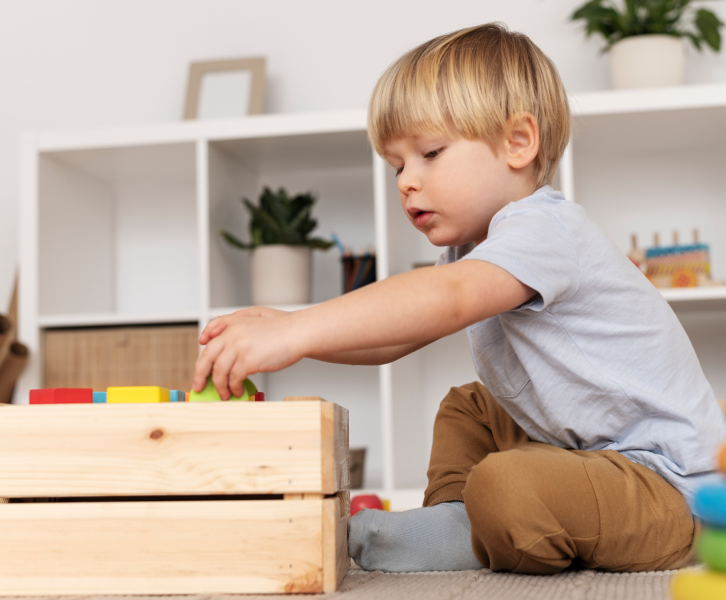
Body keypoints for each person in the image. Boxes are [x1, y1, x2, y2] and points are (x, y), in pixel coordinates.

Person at [192, 23, 726, 574]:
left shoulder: (545, 229)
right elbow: (391, 339)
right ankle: (451, 522)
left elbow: (444, 298)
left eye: (429, 153)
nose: (405, 181)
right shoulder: (473, 248)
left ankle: (475, 527)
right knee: (468, 406)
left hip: (668, 491)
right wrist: (295, 333)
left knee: (506, 482)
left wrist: (293, 331)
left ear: (518, 143)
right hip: (587, 457)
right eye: (398, 165)